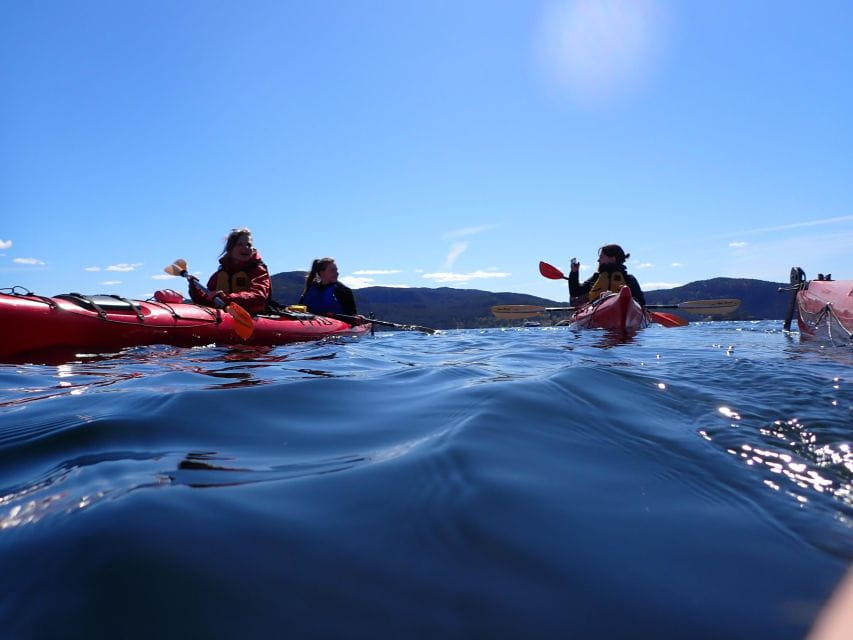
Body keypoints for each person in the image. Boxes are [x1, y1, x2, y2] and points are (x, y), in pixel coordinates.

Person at [189, 227, 272, 315]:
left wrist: (227, 298)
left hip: (251, 317)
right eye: (240, 244)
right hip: (224, 318)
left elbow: (259, 297)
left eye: (249, 245)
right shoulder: (218, 275)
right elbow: (207, 302)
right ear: (230, 249)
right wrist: (195, 289)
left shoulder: (258, 271)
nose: (246, 247)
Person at [568, 243, 646, 306]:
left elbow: (641, 302)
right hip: (598, 312)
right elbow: (575, 292)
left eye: (601, 257)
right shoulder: (596, 278)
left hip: (622, 312)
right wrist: (574, 272)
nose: (598, 260)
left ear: (612, 258)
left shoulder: (629, 279)